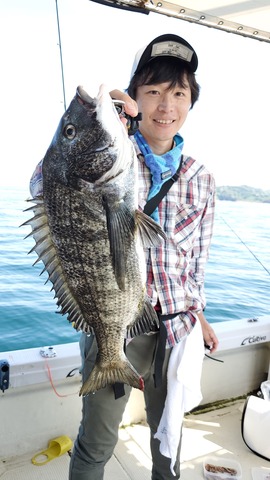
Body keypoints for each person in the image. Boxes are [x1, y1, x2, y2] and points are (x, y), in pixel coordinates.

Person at [30, 33, 219, 480]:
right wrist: (96, 123)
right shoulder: (111, 151)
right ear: (133, 99)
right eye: (152, 91)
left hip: (174, 327)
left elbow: (196, 264)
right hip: (109, 323)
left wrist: (201, 314)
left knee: (167, 437)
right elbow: (44, 186)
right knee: (97, 441)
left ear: (191, 102)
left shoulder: (201, 179)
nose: (165, 105)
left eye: (178, 93)